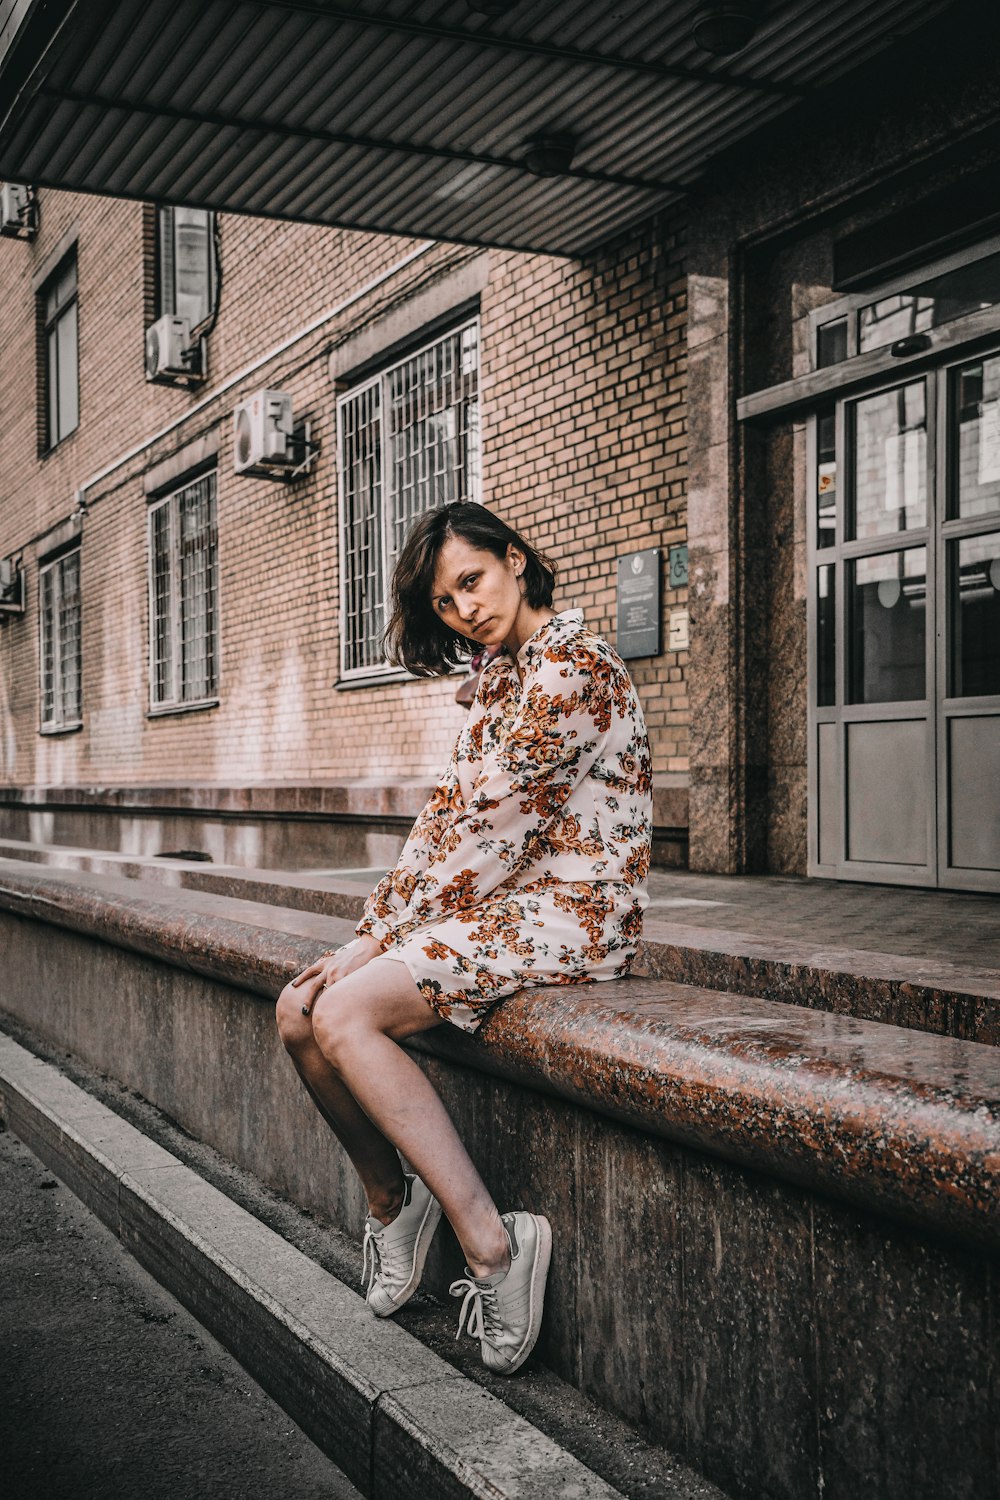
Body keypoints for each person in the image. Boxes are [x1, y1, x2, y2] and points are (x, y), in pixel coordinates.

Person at [275, 501, 652, 1375]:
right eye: (446, 602)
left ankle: (494, 1247)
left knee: (348, 1013)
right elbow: (442, 826)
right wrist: (369, 931)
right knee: (299, 1011)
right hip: (498, 907)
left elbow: (488, 837)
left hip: (574, 915)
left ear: (516, 561)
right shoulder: (505, 675)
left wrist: (374, 951)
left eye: (471, 582)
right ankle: (391, 1205)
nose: (464, 610)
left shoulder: (572, 669)